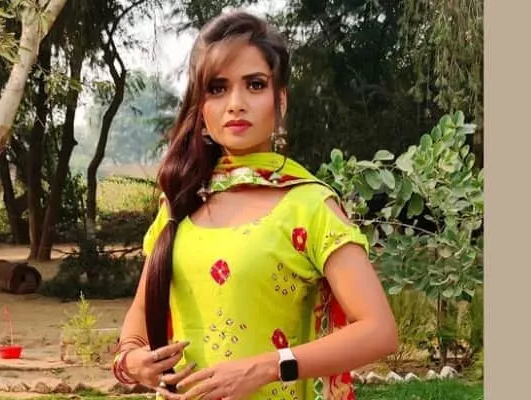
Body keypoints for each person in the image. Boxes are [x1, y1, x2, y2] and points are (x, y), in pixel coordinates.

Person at [111, 10, 398, 400]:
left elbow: (379, 330)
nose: (236, 104)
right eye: (217, 88)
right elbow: (140, 317)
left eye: (255, 85)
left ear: (280, 100)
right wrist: (131, 361)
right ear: (201, 106)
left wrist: (266, 367)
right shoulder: (180, 203)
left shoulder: (309, 205)